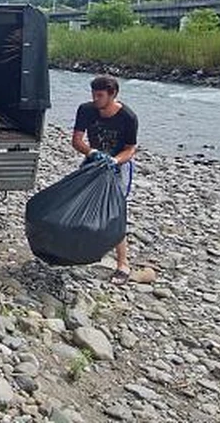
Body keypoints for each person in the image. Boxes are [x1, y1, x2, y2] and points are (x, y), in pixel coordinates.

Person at [71, 74, 138, 284]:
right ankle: (78, 250)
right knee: (80, 202)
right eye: (93, 94)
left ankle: (122, 264)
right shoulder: (86, 110)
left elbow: (130, 149)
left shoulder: (128, 117)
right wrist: (92, 153)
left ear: (113, 95)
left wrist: (115, 161)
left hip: (117, 167)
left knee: (114, 212)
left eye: (100, 95)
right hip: (94, 160)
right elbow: (76, 140)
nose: (95, 99)